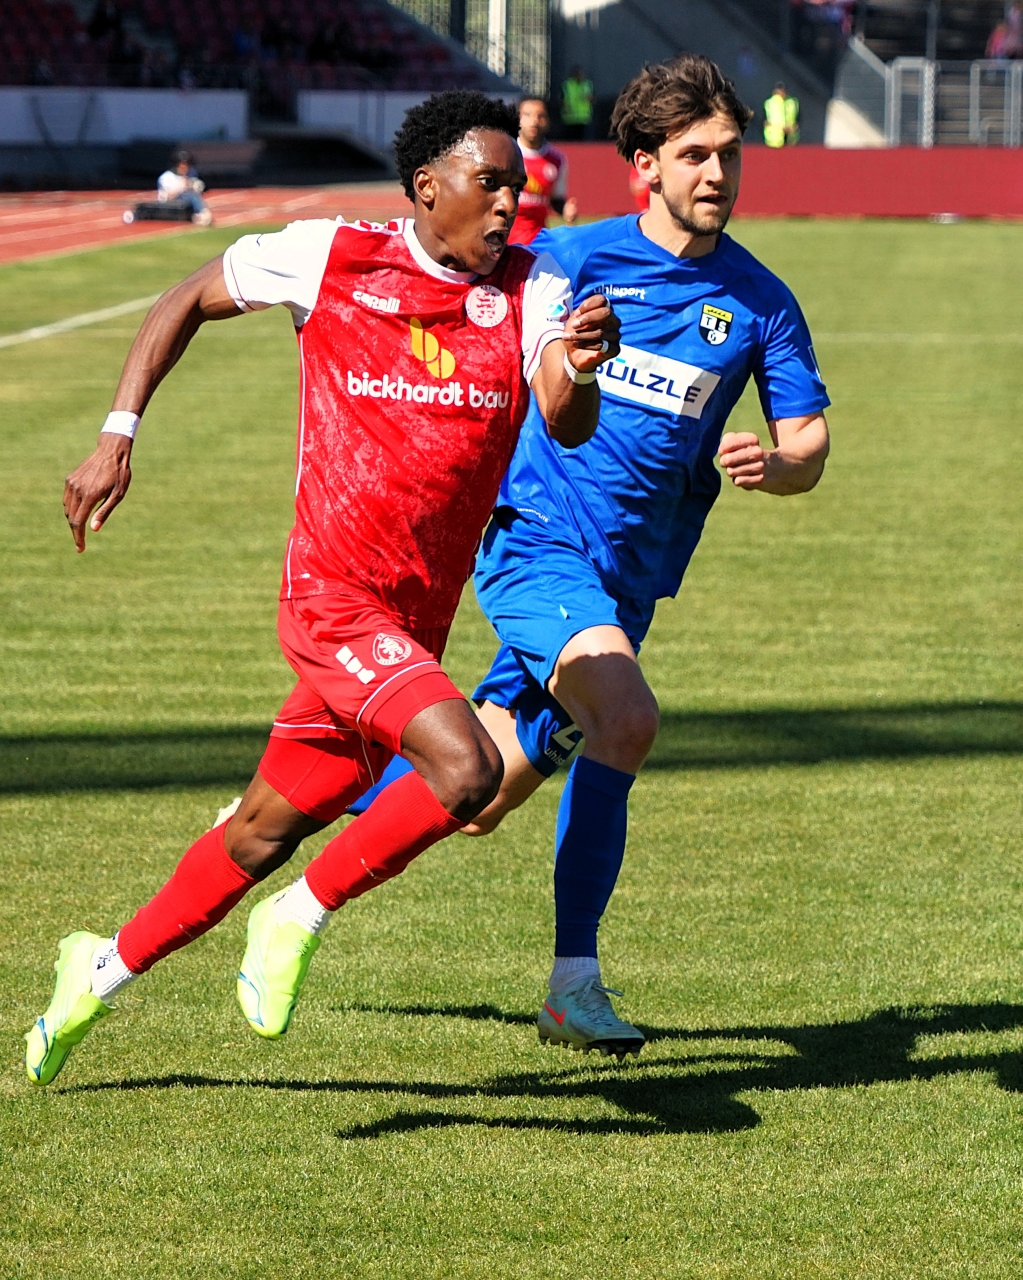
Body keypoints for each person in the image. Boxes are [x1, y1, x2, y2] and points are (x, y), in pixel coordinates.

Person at [21, 91, 622, 1086]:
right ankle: (299, 914)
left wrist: (584, 364)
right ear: (428, 188)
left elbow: (564, 417)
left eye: (517, 182)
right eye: (492, 181)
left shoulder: (534, 279)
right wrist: (116, 435)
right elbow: (183, 298)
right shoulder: (333, 254)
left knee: (259, 829)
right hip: (333, 601)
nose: (513, 200)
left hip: (411, 625)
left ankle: (93, 971)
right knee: (467, 773)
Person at [347, 54, 830, 1056]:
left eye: (729, 155)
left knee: (474, 795)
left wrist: (778, 464)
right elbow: (474, 342)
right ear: (642, 166)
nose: (716, 175)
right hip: (537, 544)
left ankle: (309, 797)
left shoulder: (762, 301)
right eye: (693, 155)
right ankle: (574, 983)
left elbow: (811, 445)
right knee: (629, 718)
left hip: (627, 583)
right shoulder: (567, 261)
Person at [513, 96, 577, 245]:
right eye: (527, 115)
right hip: (506, 243)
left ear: (547, 121)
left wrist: (566, 210)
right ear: (518, 119)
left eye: (540, 116)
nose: (534, 121)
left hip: (538, 243)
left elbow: (555, 199)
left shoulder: (556, 160)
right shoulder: (506, 153)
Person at [156, 152, 212, 227]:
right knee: (190, 195)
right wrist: (183, 187)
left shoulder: (190, 174)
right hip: (169, 205)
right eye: (182, 164)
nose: (185, 167)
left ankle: (201, 213)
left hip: (184, 203)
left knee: (193, 194)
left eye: (187, 165)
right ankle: (202, 213)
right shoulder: (166, 177)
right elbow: (168, 196)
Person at [561, 66, 595, 140]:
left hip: (583, 118)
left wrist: (589, 98)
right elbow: (562, 99)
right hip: (570, 118)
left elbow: (593, 98)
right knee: (570, 140)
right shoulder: (567, 85)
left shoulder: (586, 84)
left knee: (581, 141)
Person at [764, 82, 800, 147]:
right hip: (774, 140)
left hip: (790, 139)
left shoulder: (792, 102)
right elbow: (765, 121)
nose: (782, 93)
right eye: (780, 90)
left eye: (783, 91)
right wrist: (781, 128)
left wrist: (793, 127)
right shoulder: (769, 103)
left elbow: (797, 118)